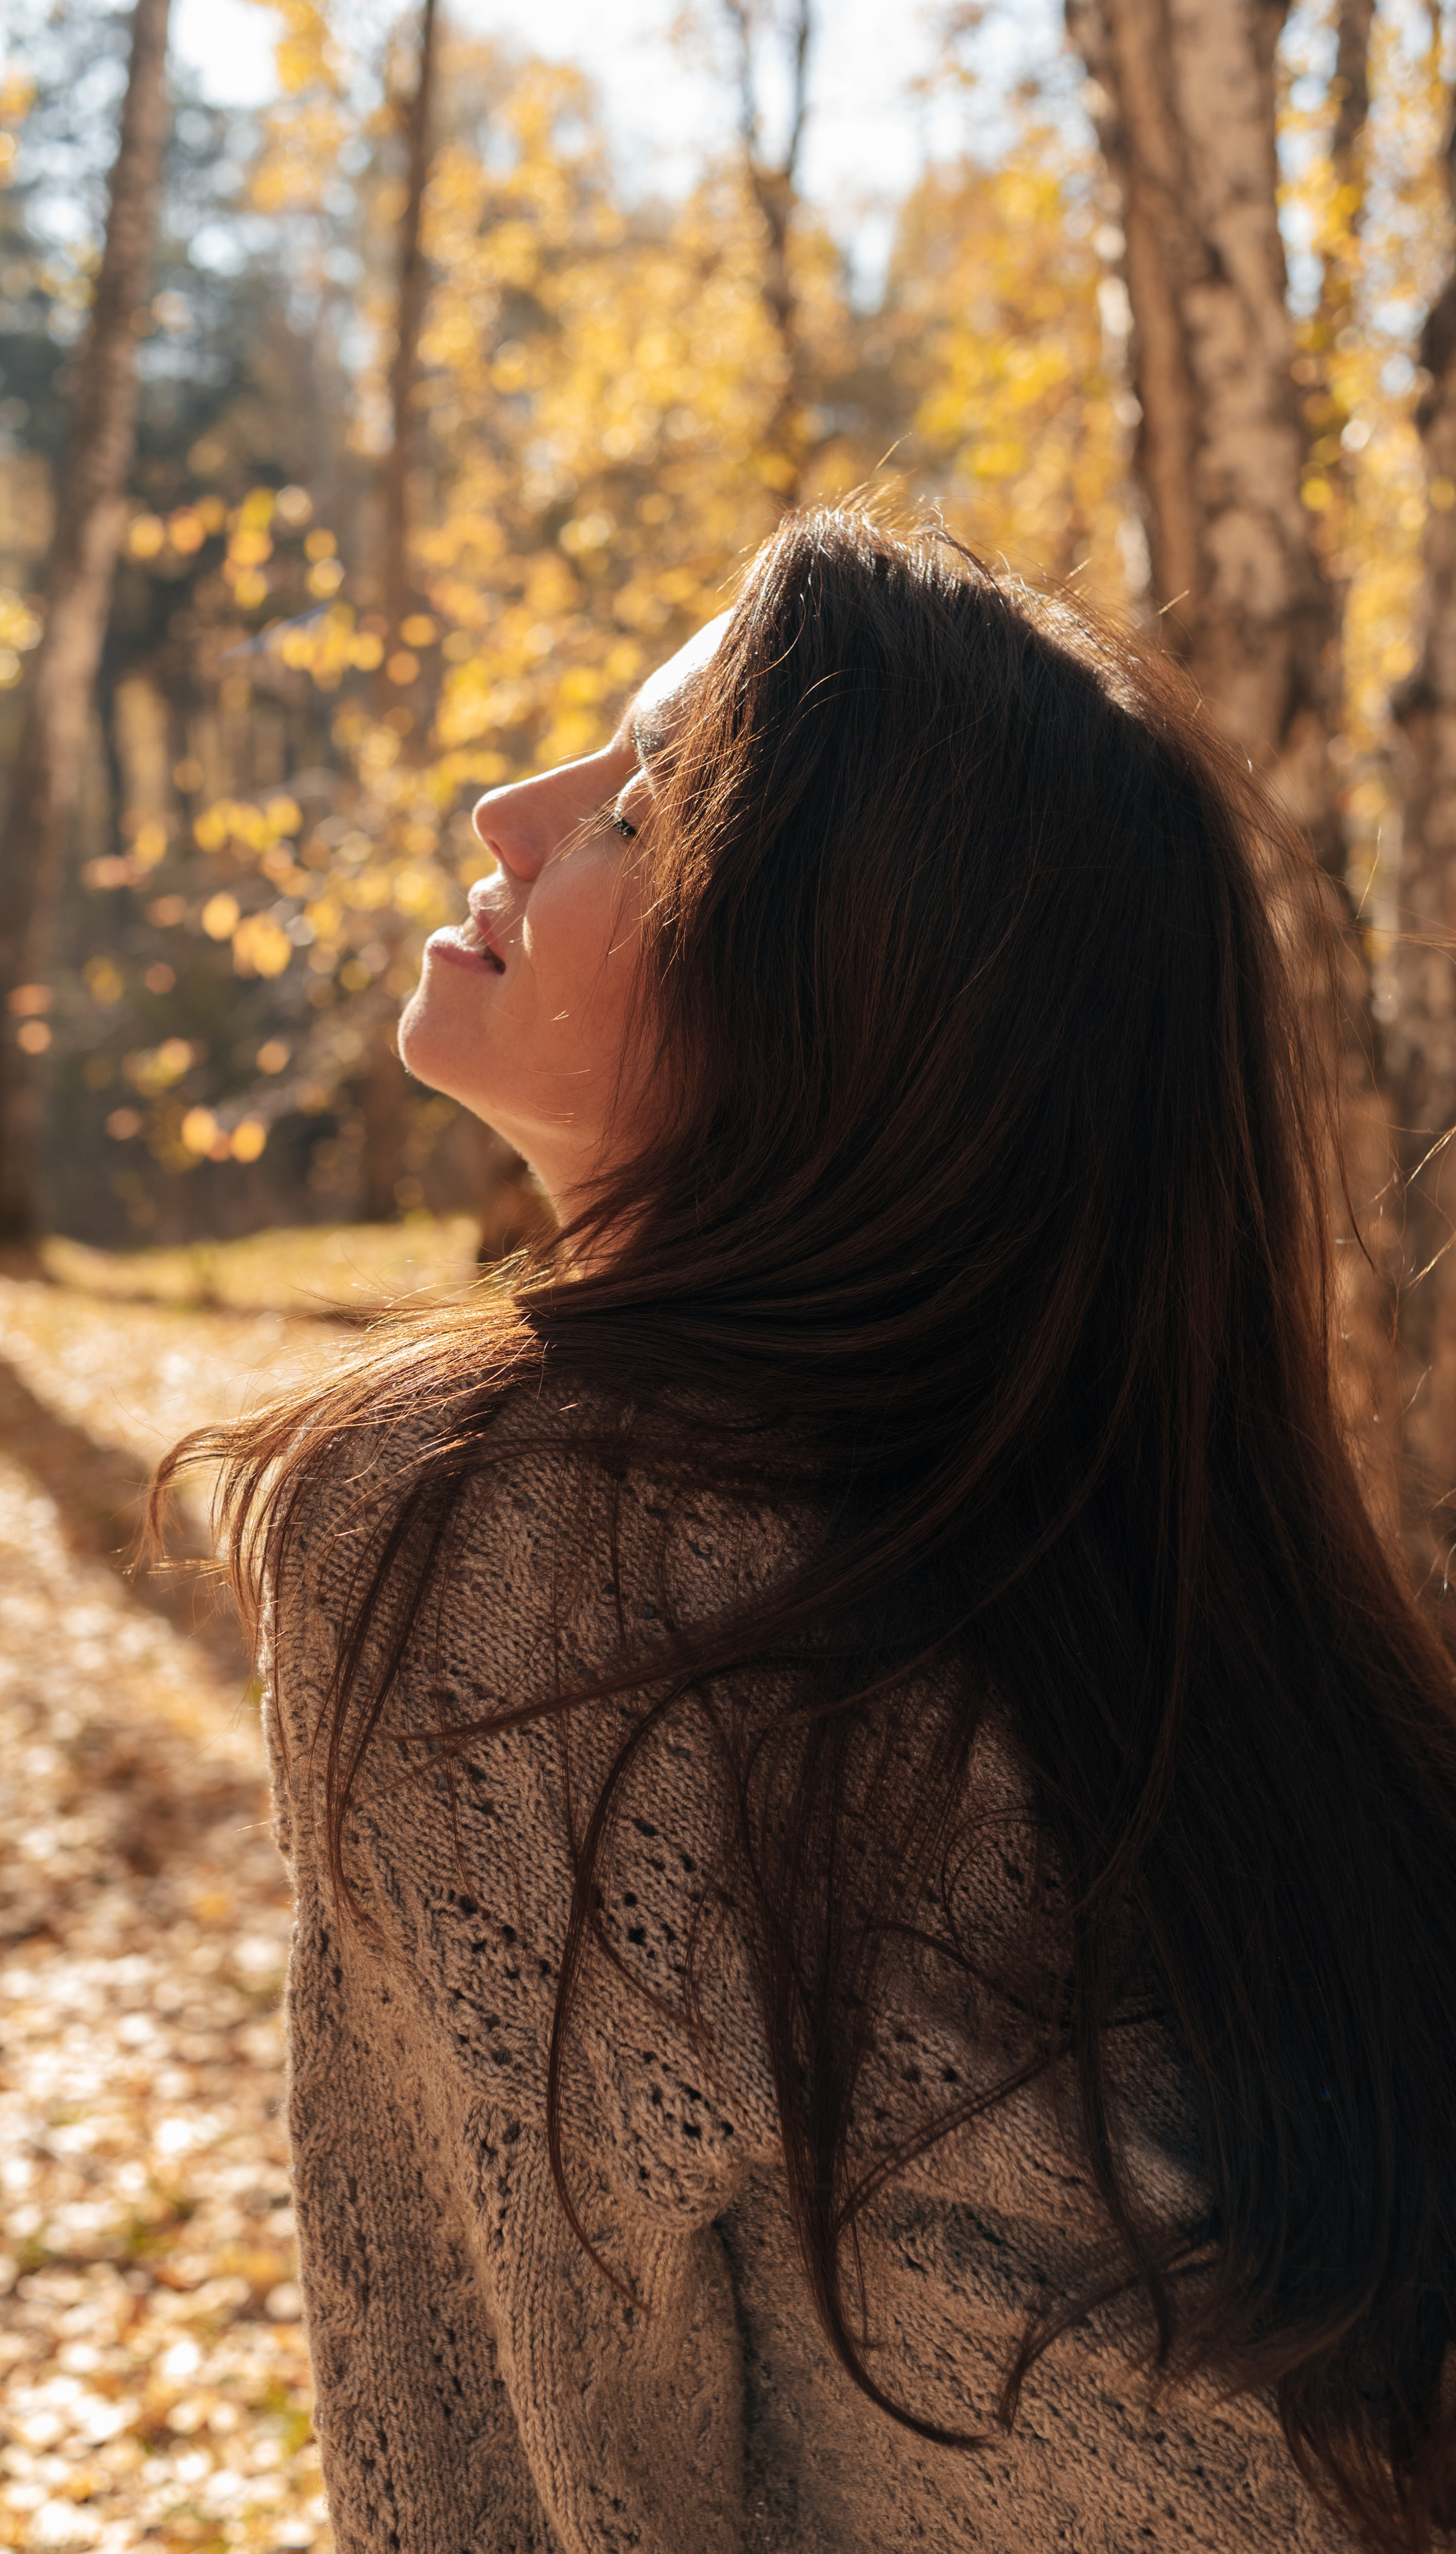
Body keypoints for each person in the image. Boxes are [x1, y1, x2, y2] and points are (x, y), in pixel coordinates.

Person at [161, 511, 1456, 2551]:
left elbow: (500, 2472)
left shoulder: (482, 1539)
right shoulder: (1170, 1616)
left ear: (844, 1009)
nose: (513, 813)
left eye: (644, 807)